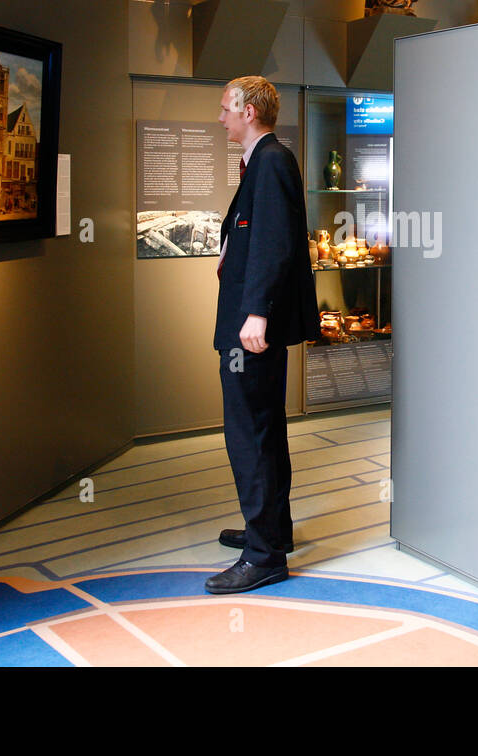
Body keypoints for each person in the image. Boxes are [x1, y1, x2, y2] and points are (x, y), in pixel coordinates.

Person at [208, 75, 318, 595]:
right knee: (265, 428)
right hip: (253, 319)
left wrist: (256, 313)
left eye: (227, 109)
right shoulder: (266, 161)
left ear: (249, 110)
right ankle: (273, 531)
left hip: (252, 327)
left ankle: (264, 555)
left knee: (249, 435)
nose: (222, 117)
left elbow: (276, 243)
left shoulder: (271, 160)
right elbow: (257, 234)